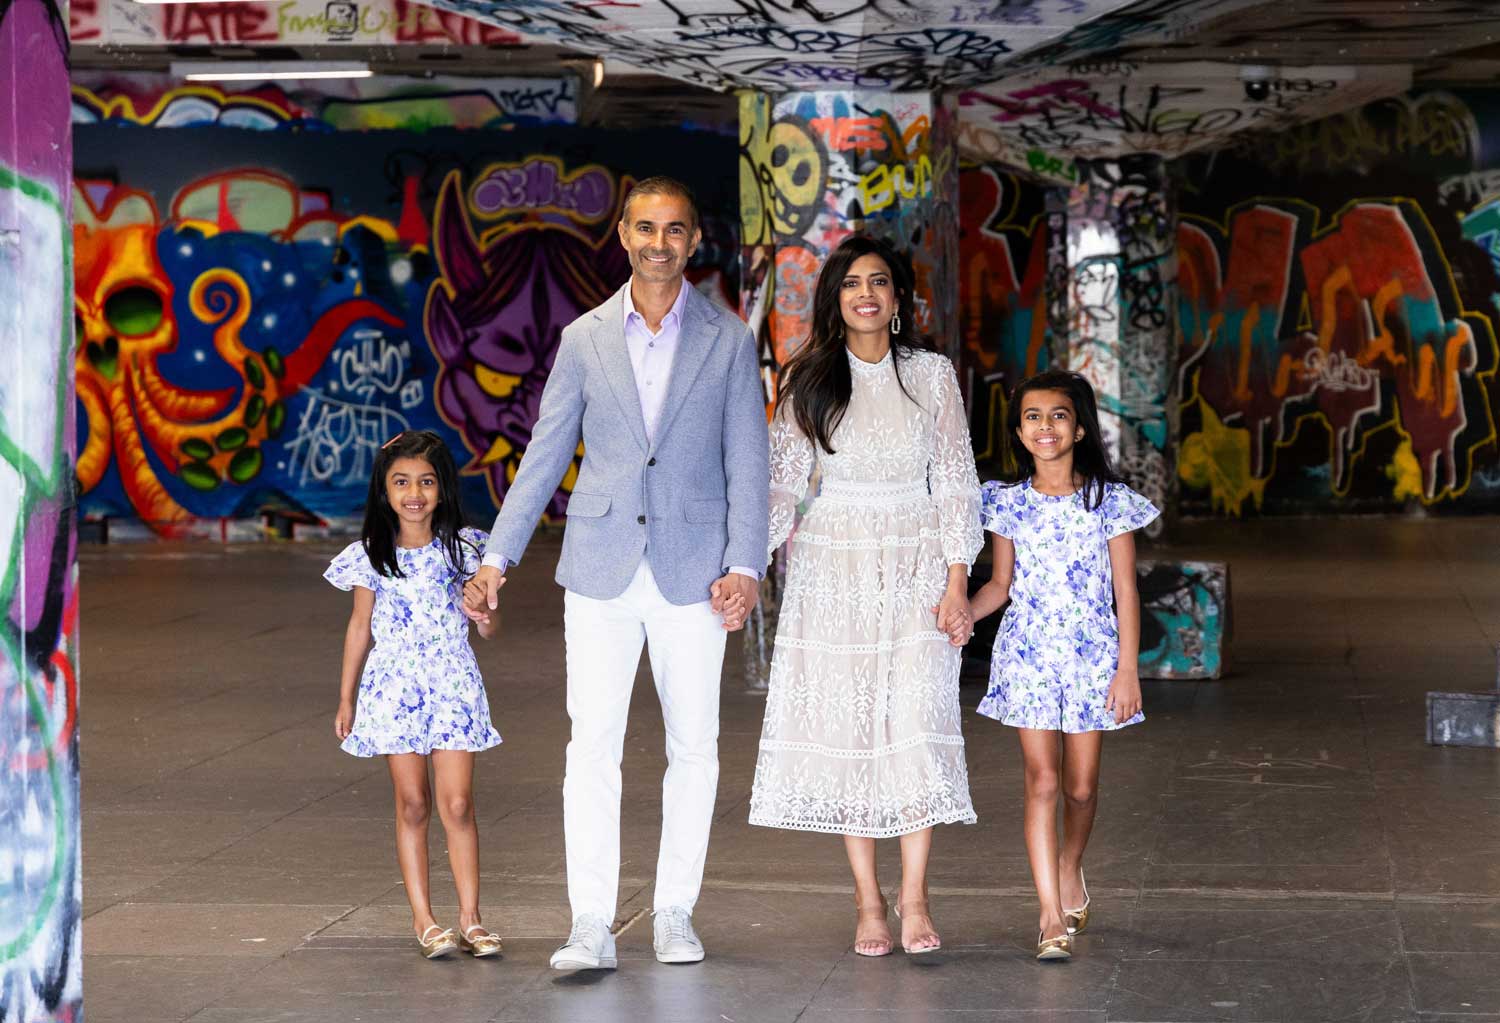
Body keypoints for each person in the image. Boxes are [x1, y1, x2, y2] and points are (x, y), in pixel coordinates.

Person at [461, 177, 769, 970]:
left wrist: (745, 563)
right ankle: (590, 921)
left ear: (694, 241)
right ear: (623, 237)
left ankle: (674, 910)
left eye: (673, 229)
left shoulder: (729, 340)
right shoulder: (583, 338)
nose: (658, 242)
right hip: (599, 568)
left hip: (696, 571)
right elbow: (544, 455)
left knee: (694, 745)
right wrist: (496, 558)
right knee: (590, 744)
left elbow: (749, 460)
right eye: (644, 228)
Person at [749, 234, 983, 958]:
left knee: (914, 719)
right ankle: (868, 901)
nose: (867, 294)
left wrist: (956, 583)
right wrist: (741, 567)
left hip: (916, 561)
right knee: (854, 732)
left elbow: (954, 480)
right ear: (835, 298)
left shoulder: (932, 374)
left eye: (880, 282)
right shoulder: (809, 378)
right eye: (852, 283)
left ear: (898, 297)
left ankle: (914, 897)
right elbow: (782, 485)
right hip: (835, 566)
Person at [967, 370, 1158, 962]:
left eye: (1057, 416)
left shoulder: (1109, 501)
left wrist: (1127, 670)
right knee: (1042, 781)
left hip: (1093, 660)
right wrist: (957, 618)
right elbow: (999, 584)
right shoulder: (1007, 502)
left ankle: (1070, 865)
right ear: (1019, 431)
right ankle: (1049, 914)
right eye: (1032, 417)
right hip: (1027, 656)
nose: (1044, 427)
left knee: (1080, 788)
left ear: (1078, 428)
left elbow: (1126, 592)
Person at [325, 429, 504, 960]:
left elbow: (489, 628)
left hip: (452, 684)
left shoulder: (467, 549)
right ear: (384, 490)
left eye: (426, 482)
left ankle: (471, 918)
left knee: (457, 802)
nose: (414, 493)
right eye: (401, 482)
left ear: (442, 489)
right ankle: (425, 920)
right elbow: (360, 627)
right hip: (393, 687)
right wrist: (346, 698)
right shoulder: (370, 555)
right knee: (413, 803)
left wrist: (483, 615)